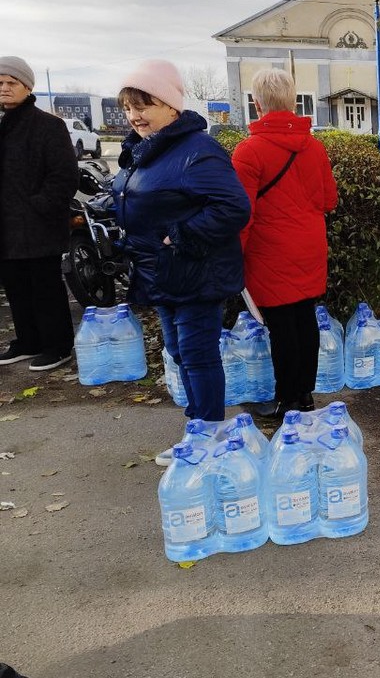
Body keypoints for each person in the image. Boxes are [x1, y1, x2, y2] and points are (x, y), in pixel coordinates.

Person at [111, 60, 250, 464]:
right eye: (128, 107)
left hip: (194, 272)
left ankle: (207, 437)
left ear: (171, 106)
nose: (135, 115)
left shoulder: (198, 150)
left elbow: (233, 207)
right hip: (160, 271)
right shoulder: (145, 149)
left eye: (144, 105)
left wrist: (179, 236)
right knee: (176, 350)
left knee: (196, 353)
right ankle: (199, 427)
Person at [232, 69, 338, 418]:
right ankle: (305, 395)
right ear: (294, 101)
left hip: (269, 252)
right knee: (305, 319)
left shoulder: (248, 152)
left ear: (256, 103)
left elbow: (241, 214)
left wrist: (235, 257)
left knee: (281, 327)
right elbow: (328, 200)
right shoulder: (314, 147)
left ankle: (286, 399)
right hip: (308, 246)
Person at [0, 56, 78, 371]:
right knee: (15, 286)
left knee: (45, 286)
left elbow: (64, 176)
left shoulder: (48, 125)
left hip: (38, 223)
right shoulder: (2, 125)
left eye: (11, 83)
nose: (4, 88)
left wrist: (40, 205)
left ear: (27, 87)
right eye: (0, 83)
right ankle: (27, 341)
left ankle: (57, 345)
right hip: (6, 225)